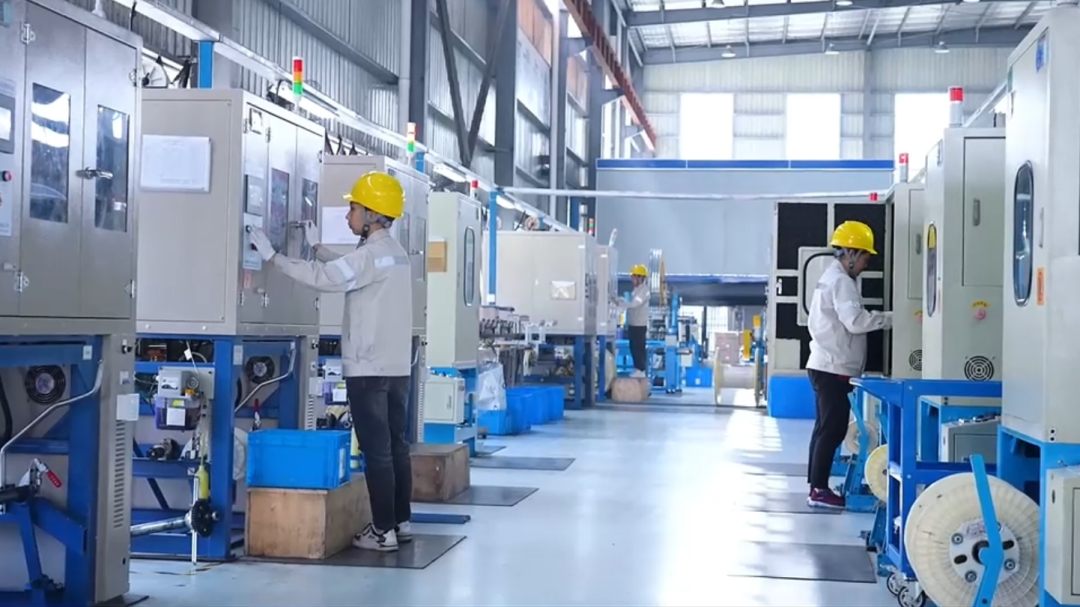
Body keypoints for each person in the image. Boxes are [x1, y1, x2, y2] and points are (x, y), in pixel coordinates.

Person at [248, 171, 414, 551]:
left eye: (353, 208)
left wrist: (273, 257)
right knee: (396, 447)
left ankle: (383, 531)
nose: (347, 215)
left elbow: (326, 278)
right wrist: (318, 247)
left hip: (368, 369)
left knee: (377, 452)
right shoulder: (394, 255)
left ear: (372, 214)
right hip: (395, 369)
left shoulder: (370, 256)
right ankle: (400, 521)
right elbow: (351, 271)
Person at [805, 221, 892, 509]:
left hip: (825, 363)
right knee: (831, 429)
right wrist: (891, 318)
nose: (867, 264)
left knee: (824, 428)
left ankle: (816, 486)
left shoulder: (831, 276)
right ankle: (818, 490)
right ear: (851, 253)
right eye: (865, 257)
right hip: (833, 367)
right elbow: (855, 322)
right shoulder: (841, 281)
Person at [615, 264, 651, 379]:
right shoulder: (636, 290)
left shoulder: (644, 291)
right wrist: (621, 301)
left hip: (639, 324)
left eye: (633, 277)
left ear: (640, 277)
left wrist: (622, 304)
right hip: (633, 323)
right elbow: (631, 303)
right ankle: (637, 368)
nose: (631, 279)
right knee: (633, 347)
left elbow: (635, 304)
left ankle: (640, 369)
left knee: (638, 347)